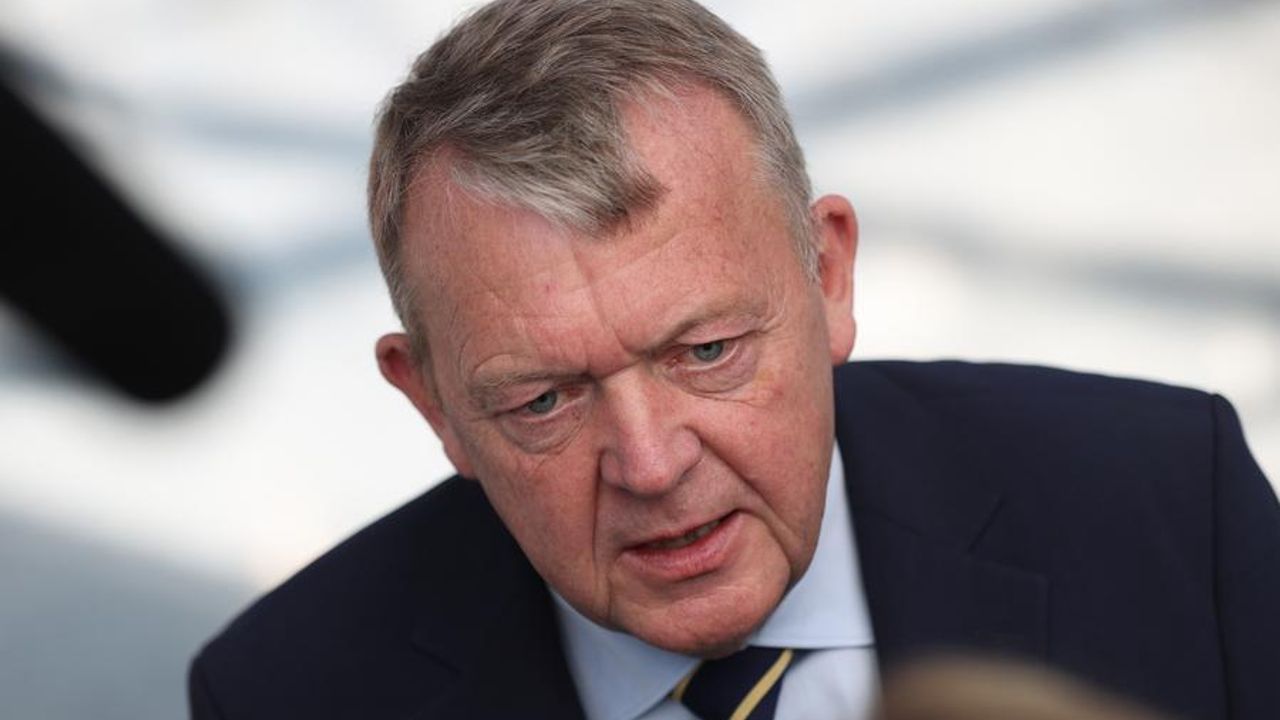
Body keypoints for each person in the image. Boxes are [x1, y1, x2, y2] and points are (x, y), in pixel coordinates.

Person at [188, 1, 1280, 719]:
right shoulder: (288, 693)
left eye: (706, 350)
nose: (651, 463)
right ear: (431, 403)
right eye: (543, 400)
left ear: (827, 274)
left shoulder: (1169, 506)